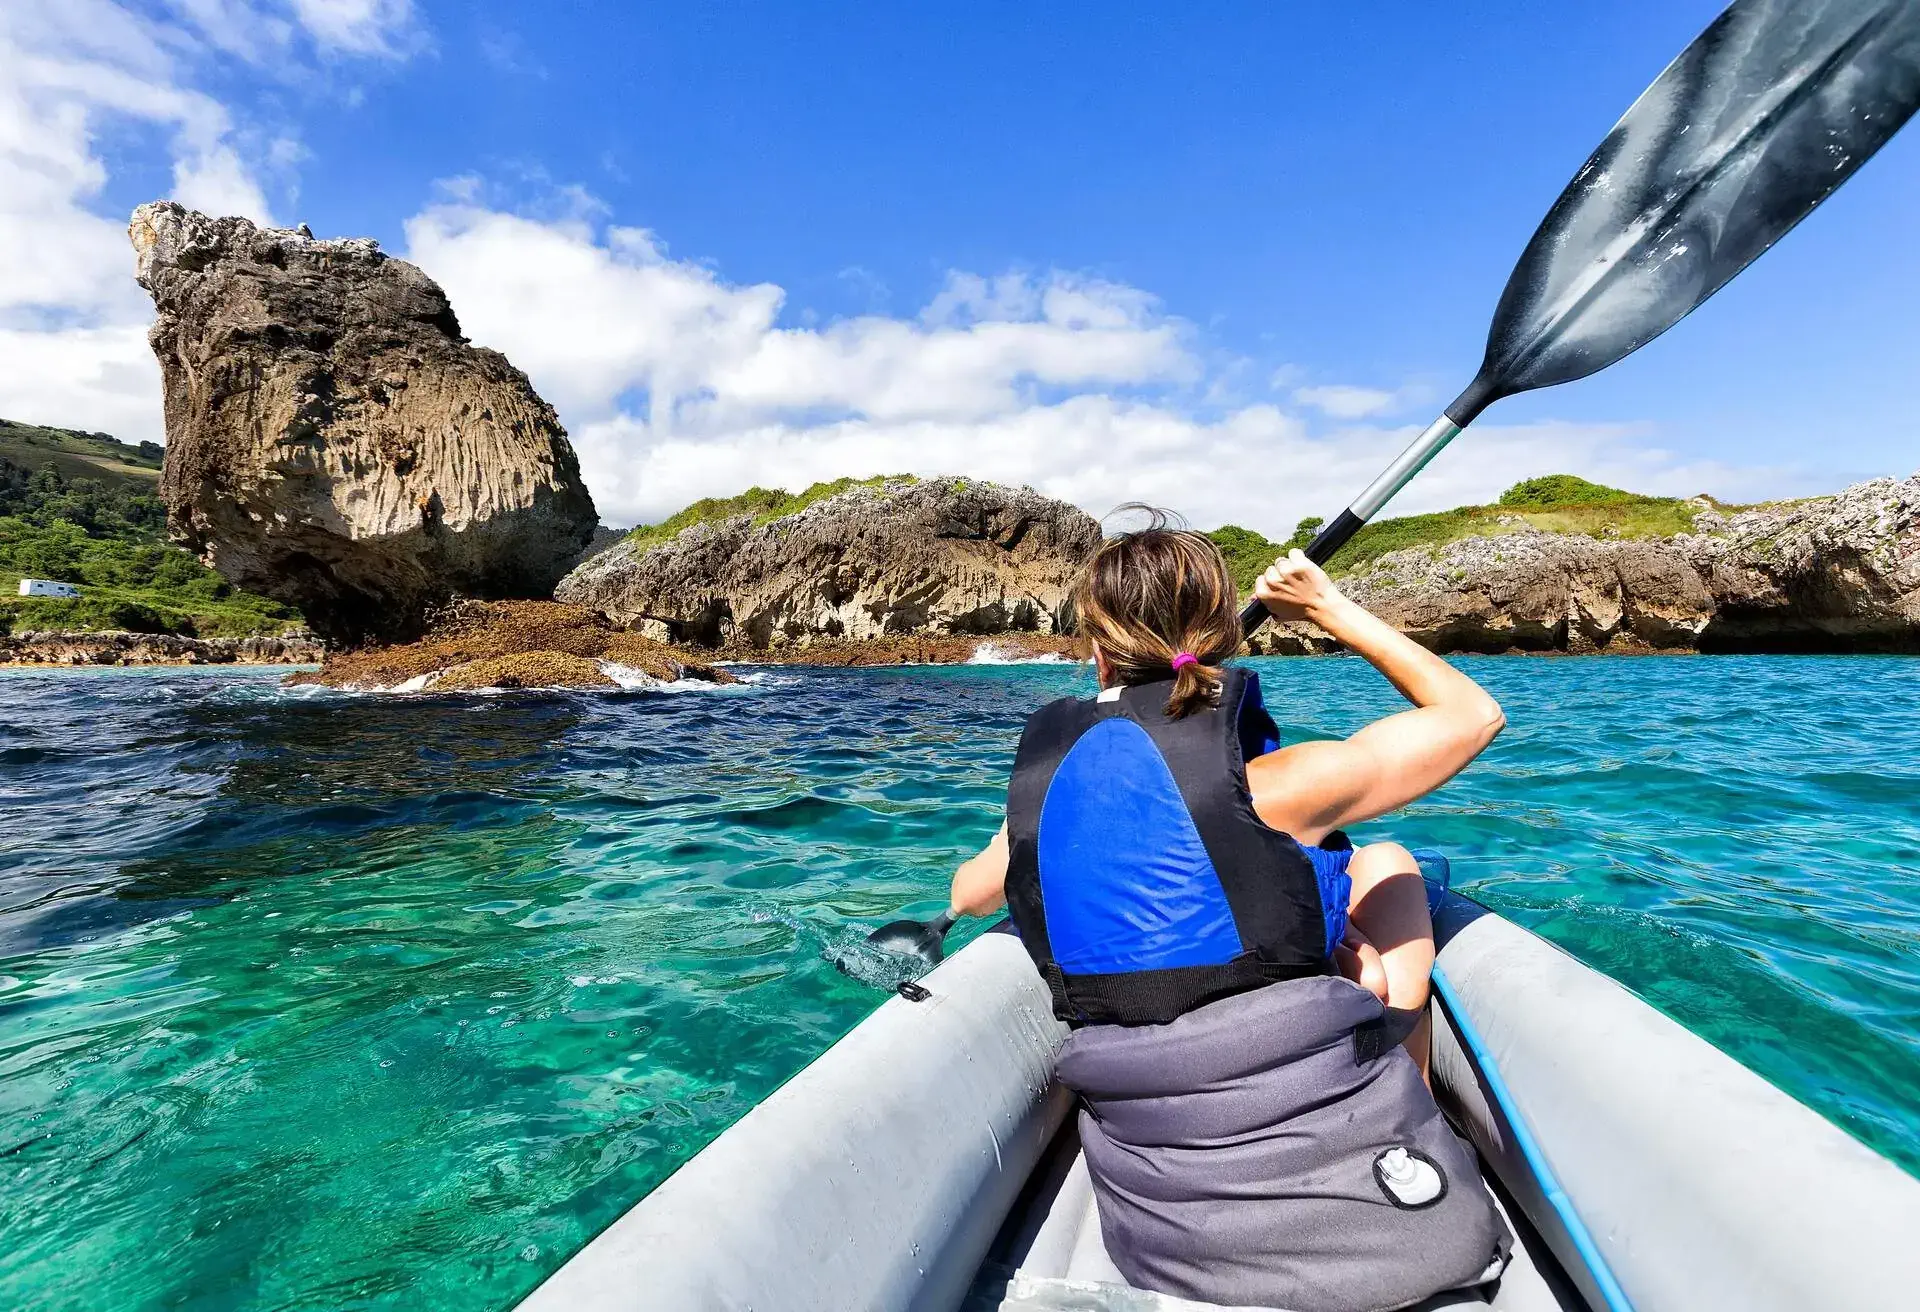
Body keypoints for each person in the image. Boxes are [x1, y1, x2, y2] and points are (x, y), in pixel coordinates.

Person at [946, 516, 1512, 1312]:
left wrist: (1023, 824)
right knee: (1388, 865)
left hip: (1165, 1248)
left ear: (1096, 651)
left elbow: (968, 895)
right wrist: (1328, 609)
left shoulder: (1048, 798)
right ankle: (1411, 1091)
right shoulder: (1283, 785)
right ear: (1219, 638)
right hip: (1396, 1239)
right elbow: (1473, 715)